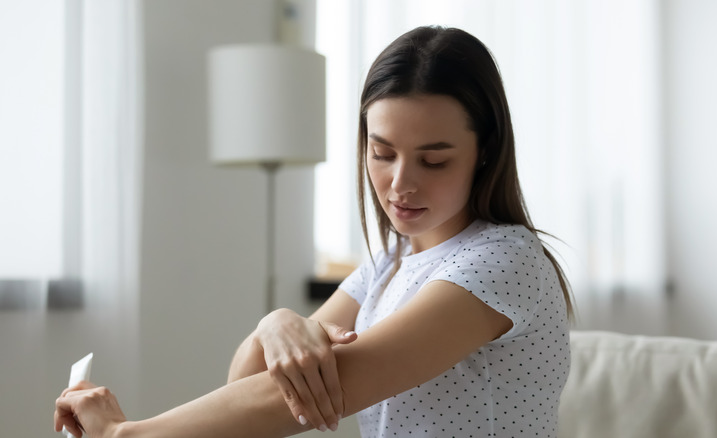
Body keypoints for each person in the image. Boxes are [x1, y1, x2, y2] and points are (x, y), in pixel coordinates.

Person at [54, 25, 574, 438]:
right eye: (381, 153)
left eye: (433, 161)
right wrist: (276, 324)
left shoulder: (504, 262)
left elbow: (303, 398)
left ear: (484, 152)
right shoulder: (389, 262)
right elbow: (254, 383)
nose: (399, 184)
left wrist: (128, 434)